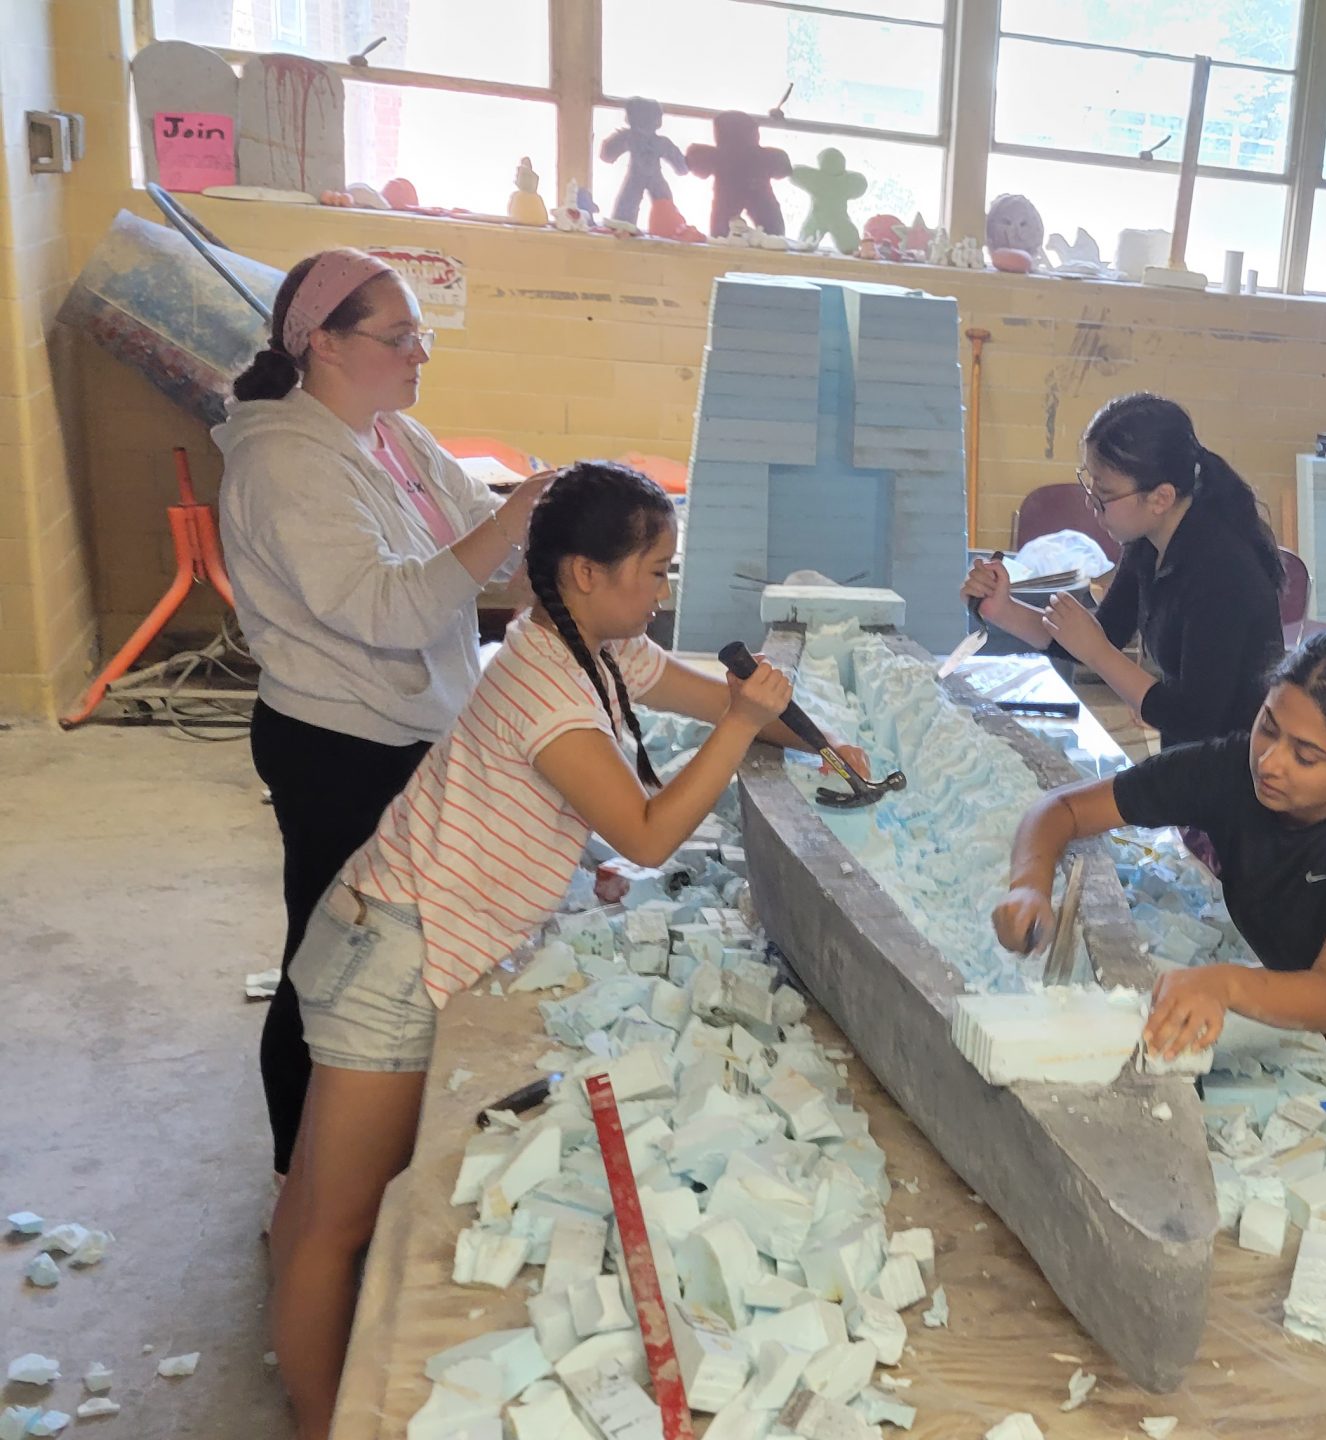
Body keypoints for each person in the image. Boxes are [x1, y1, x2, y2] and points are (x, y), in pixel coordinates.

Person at [262, 462, 869, 1438]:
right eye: (656, 571)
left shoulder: (595, 646)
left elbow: (707, 696)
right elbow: (645, 831)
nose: (665, 591)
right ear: (586, 572)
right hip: (394, 952)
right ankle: (316, 1415)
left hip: (404, 930)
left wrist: (817, 739)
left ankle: (304, 1351)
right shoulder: (545, 684)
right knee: (336, 1225)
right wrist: (752, 722)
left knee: (319, 1204)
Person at [217, 248, 554, 1187]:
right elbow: (390, 608)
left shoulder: (389, 434)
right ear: (322, 343)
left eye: (421, 335)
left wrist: (550, 516)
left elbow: (480, 523)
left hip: (412, 728)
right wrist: (513, 522)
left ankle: (373, 1142)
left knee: (395, 944)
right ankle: (303, 1174)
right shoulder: (284, 461)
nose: (419, 355)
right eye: (399, 336)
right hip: (338, 745)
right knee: (331, 954)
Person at [993, 628, 1326, 1153]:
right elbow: (1062, 810)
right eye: (1268, 727)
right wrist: (1028, 886)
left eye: (1307, 756)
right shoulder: (1230, 771)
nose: (1270, 763)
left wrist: (1223, 984)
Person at [962, 392, 1284, 751]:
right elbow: (1104, 634)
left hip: (1241, 768)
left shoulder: (1222, 573)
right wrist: (1003, 609)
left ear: (1160, 498)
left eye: (1104, 494)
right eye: (1090, 484)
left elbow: (1194, 719)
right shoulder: (1148, 542)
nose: (1091, 503)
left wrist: (1098, 653)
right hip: (1187, 757)